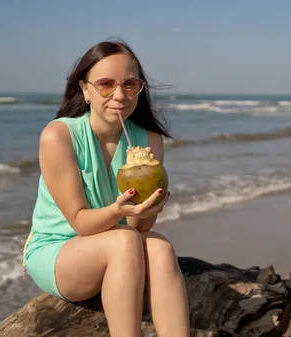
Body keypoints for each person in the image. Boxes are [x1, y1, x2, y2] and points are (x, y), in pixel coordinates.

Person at [22, 40, 190, 337]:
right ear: (85, 89)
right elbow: (79, 221)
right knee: (124, 241)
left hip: (119, 248)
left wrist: (148, 210)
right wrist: (118, 210)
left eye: (130, 84)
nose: (119, 95)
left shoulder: (148, 140)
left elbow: (138, 227)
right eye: (105, 84)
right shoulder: (58, 135)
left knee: (160, 246)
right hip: (59, 250)